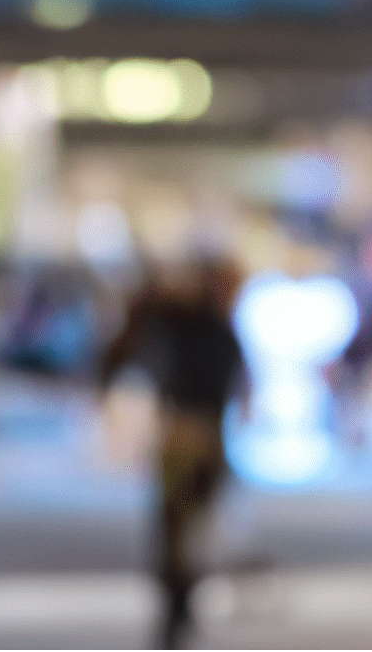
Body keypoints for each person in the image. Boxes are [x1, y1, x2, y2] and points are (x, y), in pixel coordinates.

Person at [97, 257, 249, 650]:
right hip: (195, 434)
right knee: (184, 531)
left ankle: (178, 608)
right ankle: (177, 608)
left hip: (190, 434)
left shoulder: (193, 326)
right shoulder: (203, 326)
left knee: (181, 532)